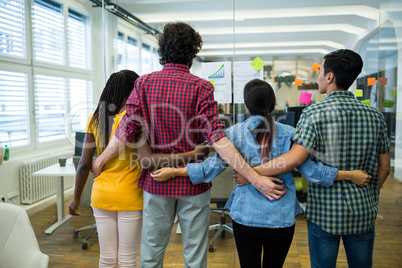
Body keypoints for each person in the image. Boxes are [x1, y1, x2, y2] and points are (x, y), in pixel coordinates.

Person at [91, 22, 284, 268]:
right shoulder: (202, 87)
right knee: (194, 255)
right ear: (193, 53)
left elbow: (126, 130)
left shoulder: (144, 84)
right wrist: (255, 178)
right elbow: (217, 139)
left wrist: (100, 160)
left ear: (162, 51)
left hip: (156, 182)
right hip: (193, 185)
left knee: (151, 253)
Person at [151, 78, 372, 268]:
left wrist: (173, 171)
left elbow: (210, 168)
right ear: (273, 104)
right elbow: (313, 172)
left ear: (246, 106)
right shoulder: (290, 133)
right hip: (281, 217)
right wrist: (350, 175)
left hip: (246, 217)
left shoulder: (232, 134)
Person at [234, 49, 390, 268]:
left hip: (325, 212)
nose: (317, 77)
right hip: (363, 210)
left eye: (320, 71)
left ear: (329, 77)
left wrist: (250, 173)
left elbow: (294, 159)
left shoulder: (313, 113)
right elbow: (384, 167)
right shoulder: (376, 116)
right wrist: (367, 195)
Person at [68, 70, 209, 268]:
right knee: (128, 259)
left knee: (106, 259)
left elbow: (83, 164)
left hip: (101, 194)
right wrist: (193, 153)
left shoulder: (94, 118)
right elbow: (148, 159)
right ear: (135, 90)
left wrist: (75, 199)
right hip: (131, 194)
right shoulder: (136, 119)